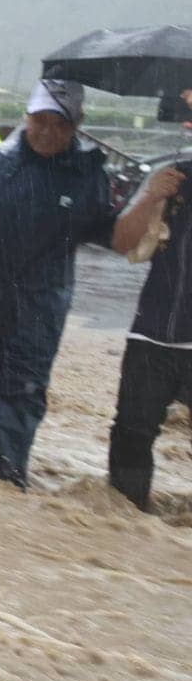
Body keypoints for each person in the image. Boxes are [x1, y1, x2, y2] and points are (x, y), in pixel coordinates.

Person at [0, 79, 115, 487]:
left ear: (77, 125)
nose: (47, 132)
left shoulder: (87, 172)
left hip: (43, 297)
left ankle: (5, 473)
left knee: (23, 385)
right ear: (26, 119)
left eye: (59, 124)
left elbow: (105, 231)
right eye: (39, 121)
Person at [107, 154, 190, 510]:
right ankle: (124, 537)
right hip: (154, 334)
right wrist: (150, 196)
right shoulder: (175, 177)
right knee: (130, 437)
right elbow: (122, 244)